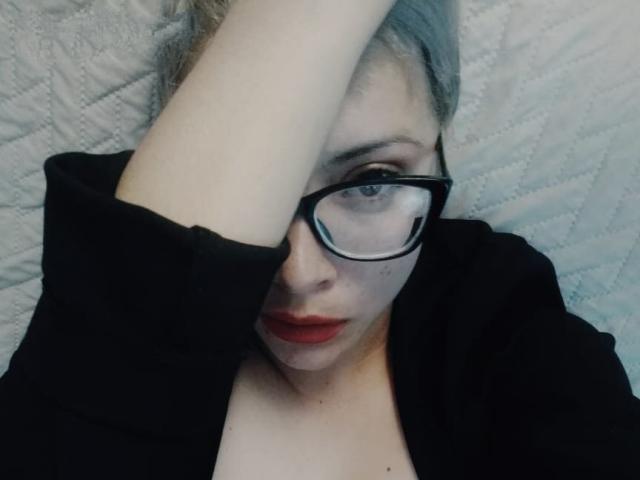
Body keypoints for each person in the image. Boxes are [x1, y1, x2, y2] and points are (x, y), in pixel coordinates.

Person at [1, 0, 639, 479]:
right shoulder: (108, 302)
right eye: (261, 188)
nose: (298, 274)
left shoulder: (496, 314)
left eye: (372, 181)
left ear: (440, 148)